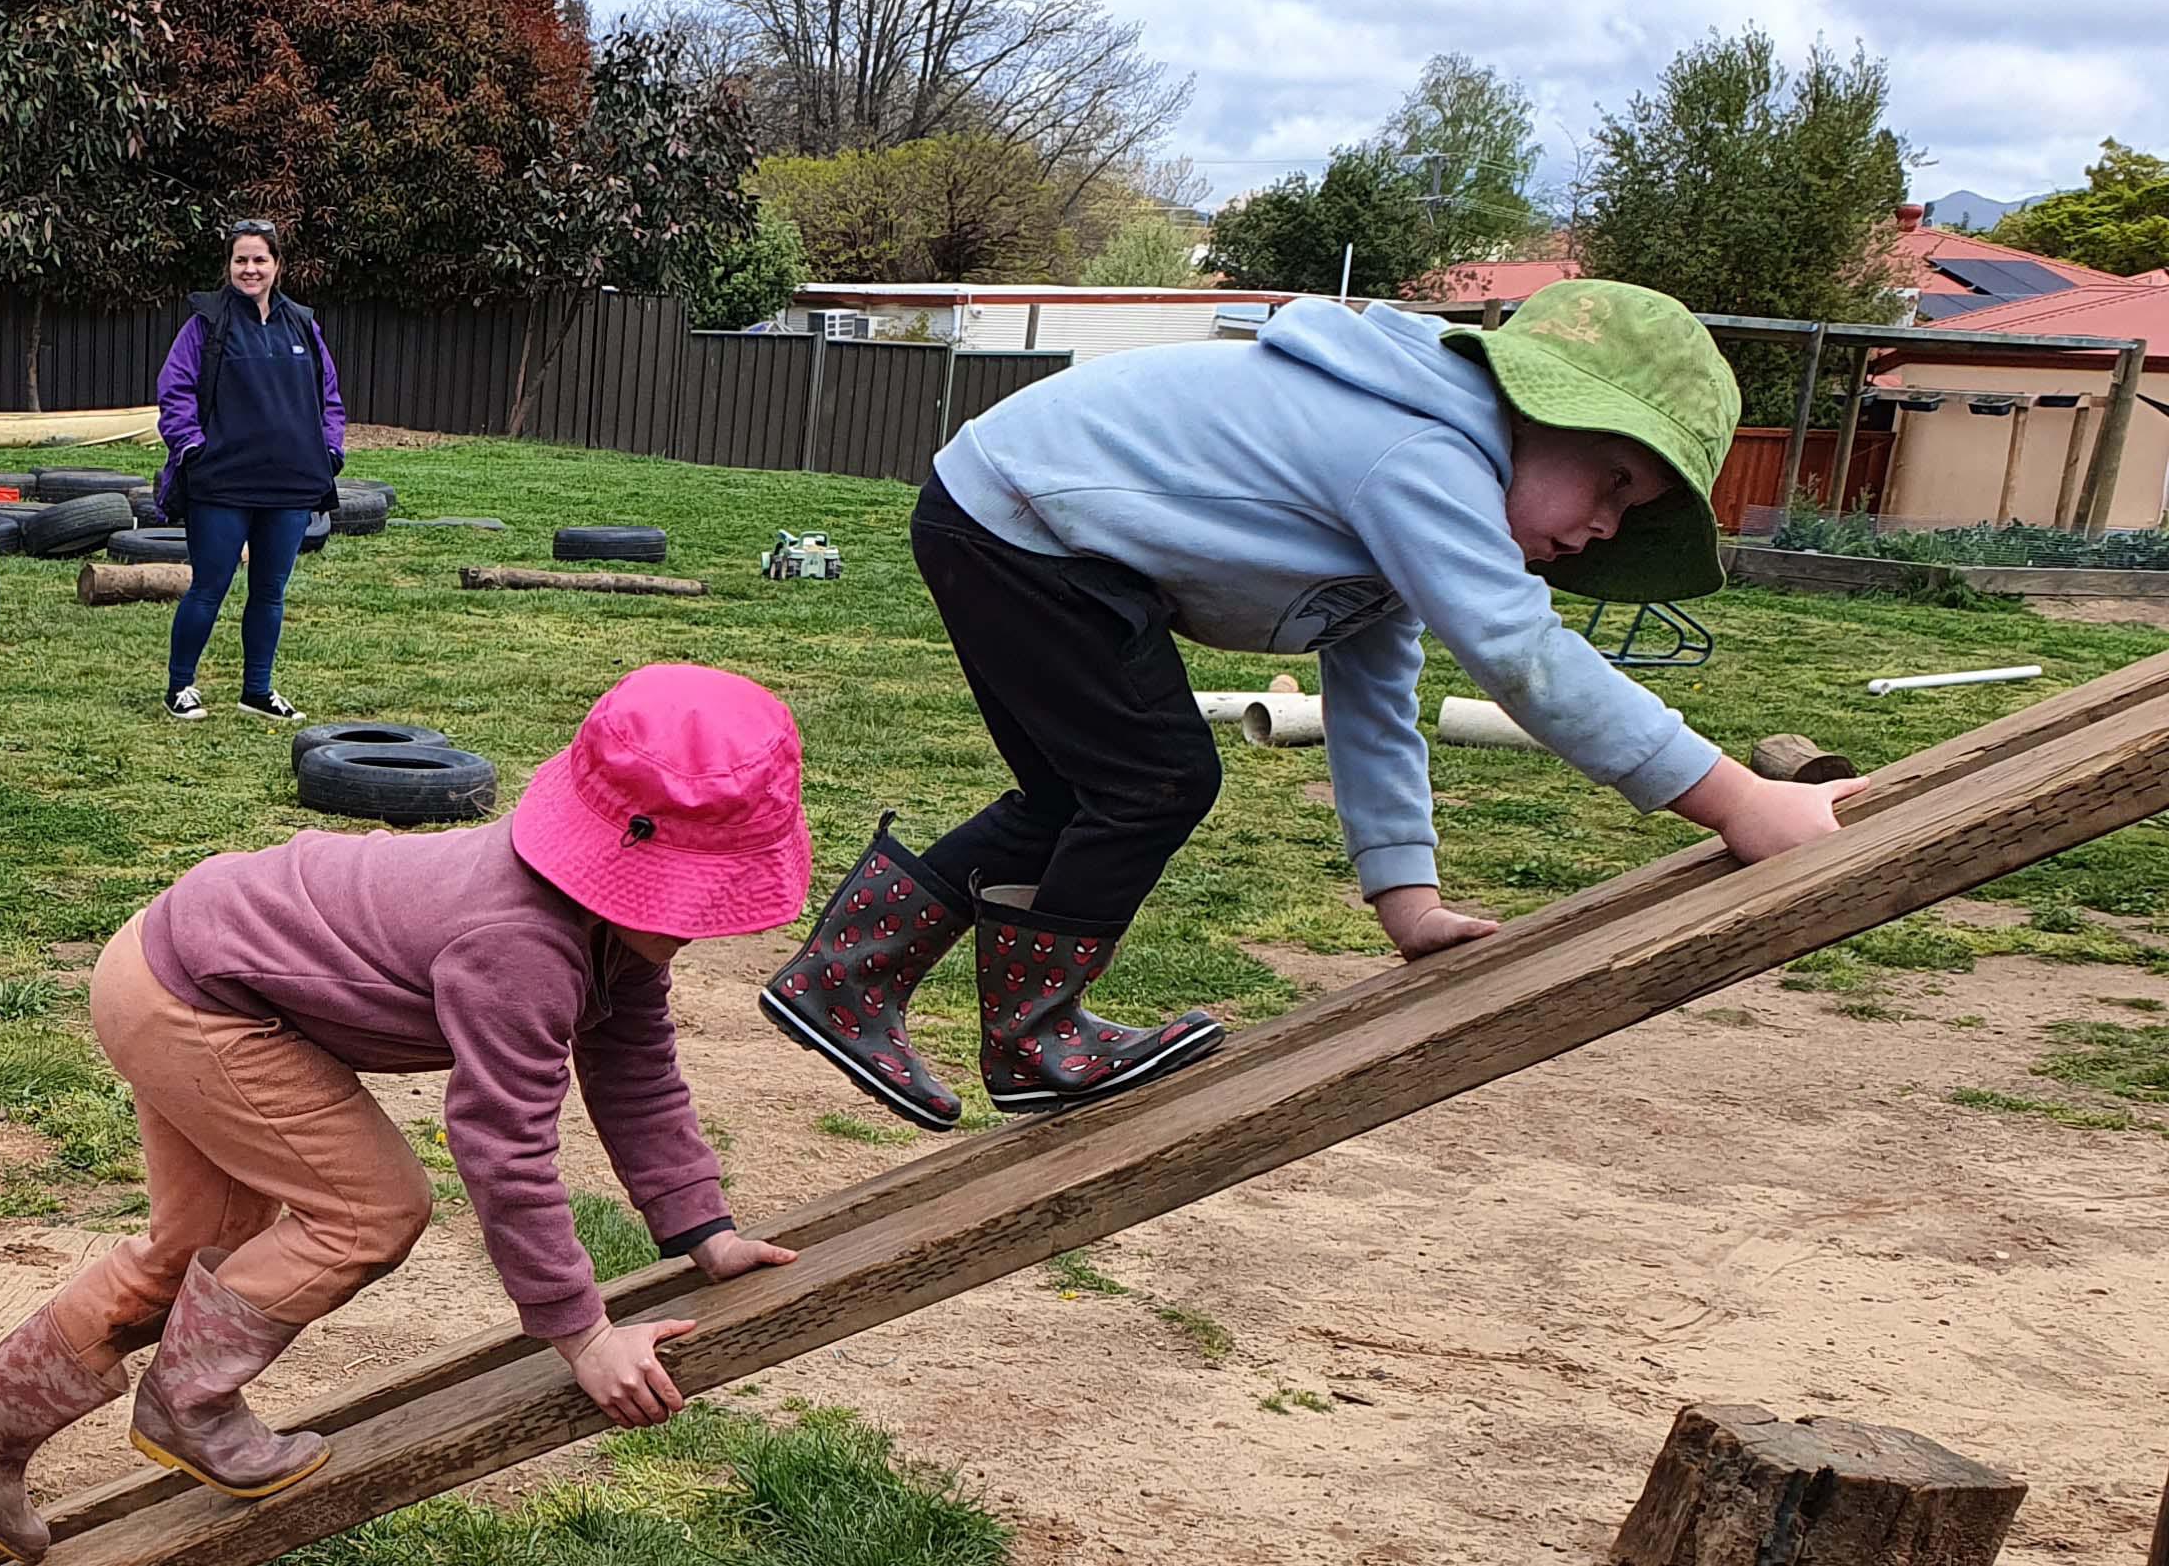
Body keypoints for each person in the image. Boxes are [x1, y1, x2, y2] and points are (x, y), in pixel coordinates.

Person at [760, 277, 1857, 1125]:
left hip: (1013, 520)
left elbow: (1377, 699)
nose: (1609, 526)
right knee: (1154, 778)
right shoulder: (1421, 452)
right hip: (1022, 522)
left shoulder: (1410, 498)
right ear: (1534, 408)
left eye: (1637, 509)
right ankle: (1033, 1039)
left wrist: (1407, 899)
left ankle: (846, 983)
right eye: (1613, 481)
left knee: (1078, 795)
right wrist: (1733, 800)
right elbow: (1522, 656)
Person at [0, 666, 804, 1564]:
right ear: (621, 865)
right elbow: (506, 1149)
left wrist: (703, 1228)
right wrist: (583, 1334)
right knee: (370, 1209)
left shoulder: (604, 925)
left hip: (174, 959)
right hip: (199, 1003)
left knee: (198, 1248)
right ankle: (190, 1401)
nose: (696, 927)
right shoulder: (522, 948)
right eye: (693, 902)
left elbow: (637, 1070)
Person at [151, 219, 344, 724]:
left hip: (291, 483)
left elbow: (330, 398)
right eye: (241, 259)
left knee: (269, 591)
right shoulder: (205, 324)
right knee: (208, 587)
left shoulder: (302, 324)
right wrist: (191, 447)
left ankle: (257, 690)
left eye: (260, 259)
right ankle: (180, 687)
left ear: (278, 266)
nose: (250, 269)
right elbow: (174, 392)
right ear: (229, 266)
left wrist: (329, 451)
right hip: (220, 481)